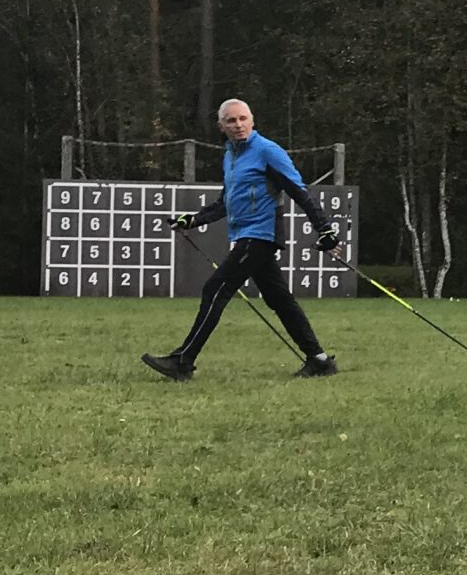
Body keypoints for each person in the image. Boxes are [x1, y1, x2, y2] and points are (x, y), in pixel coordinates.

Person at [142, 98, 341, 381]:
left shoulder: (267, 151)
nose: (238, 125)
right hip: (247, 235)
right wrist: (193, 219)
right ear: (221, 126)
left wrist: (325, 229)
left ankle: (183, 361)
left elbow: (299, 191)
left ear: (252, 120)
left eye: (242, 119)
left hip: (260, 236)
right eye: (231, 121)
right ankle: (319, 360)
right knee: (279, 300)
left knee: (215, 289)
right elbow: (225, 202)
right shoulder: (231, 156)